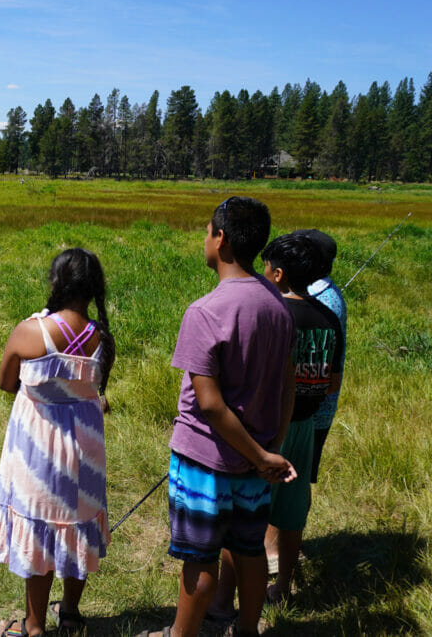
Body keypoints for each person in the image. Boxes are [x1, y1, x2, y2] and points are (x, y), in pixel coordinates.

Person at [142, 197, 297, 637]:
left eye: (207, 230)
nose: (204, 238)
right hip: (257, 462)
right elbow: (288, 386)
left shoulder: (205, 311)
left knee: (200, 556)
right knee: (249, 550)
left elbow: (208, 404)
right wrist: (269, 452)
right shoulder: (278, 306)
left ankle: (180, 635)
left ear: (221, 239)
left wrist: (259, 454)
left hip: (205, 460)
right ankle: (246, 630)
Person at [0, 248, 116, 637]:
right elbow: (94, 389)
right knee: (79, 528)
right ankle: (71, 613)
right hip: (86, 449)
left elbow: (7, 383)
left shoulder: (31, 331)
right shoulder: (101, 338)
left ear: (56, 282)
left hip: (38, 448)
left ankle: (35, 626)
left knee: (40, 531)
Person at [259, 233, 344, 603]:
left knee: (254, 511)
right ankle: (283, 586)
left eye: (265, 267)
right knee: (293, 516)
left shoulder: (277, 315)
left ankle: (248, 589)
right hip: (307, 427)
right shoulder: (329, 316)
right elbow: (331, 384)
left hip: (271, 429)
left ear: (278, 274)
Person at [293, 229, 347, 485]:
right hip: (318, 406)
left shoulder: (317, 298)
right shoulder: (328, 291)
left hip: (308, 410)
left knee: (296, 481)